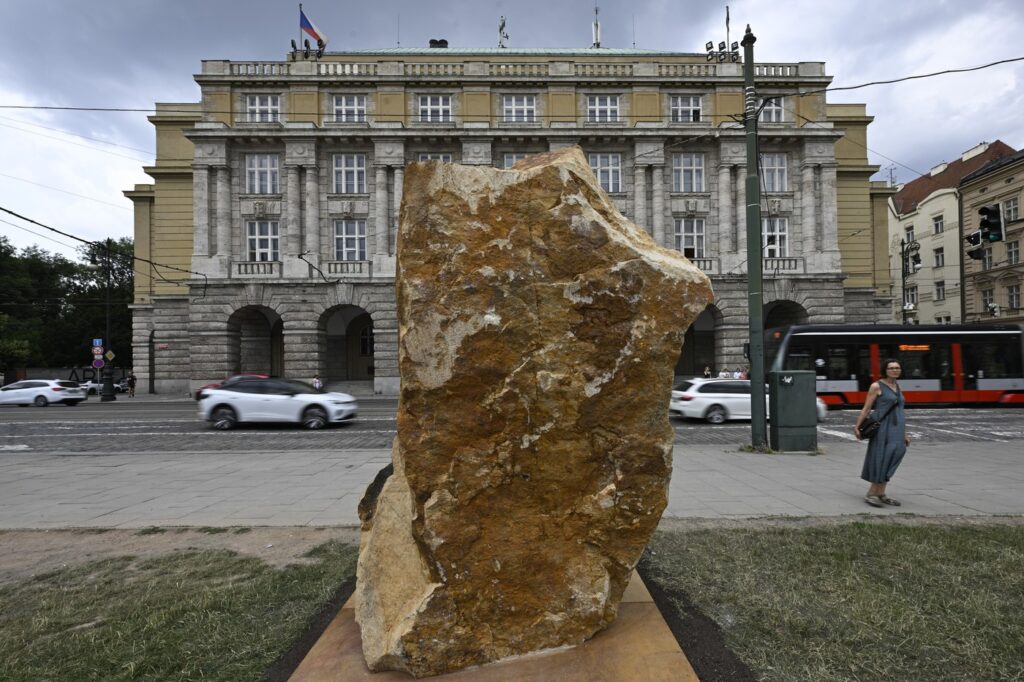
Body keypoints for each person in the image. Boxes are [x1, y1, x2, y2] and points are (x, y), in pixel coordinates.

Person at [853, 359, 910, 508]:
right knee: (881, 456)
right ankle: (873, 493)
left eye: (897, 368)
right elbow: (866, 408)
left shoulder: (897, 386)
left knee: (895, 455)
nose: (895, 370)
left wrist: (904, 434)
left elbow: (900, 411)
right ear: (885, 370)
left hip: (897, 429)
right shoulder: (876, 386)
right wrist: (857, 426)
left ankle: (881, 493)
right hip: (883, 428)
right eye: (891, 368)